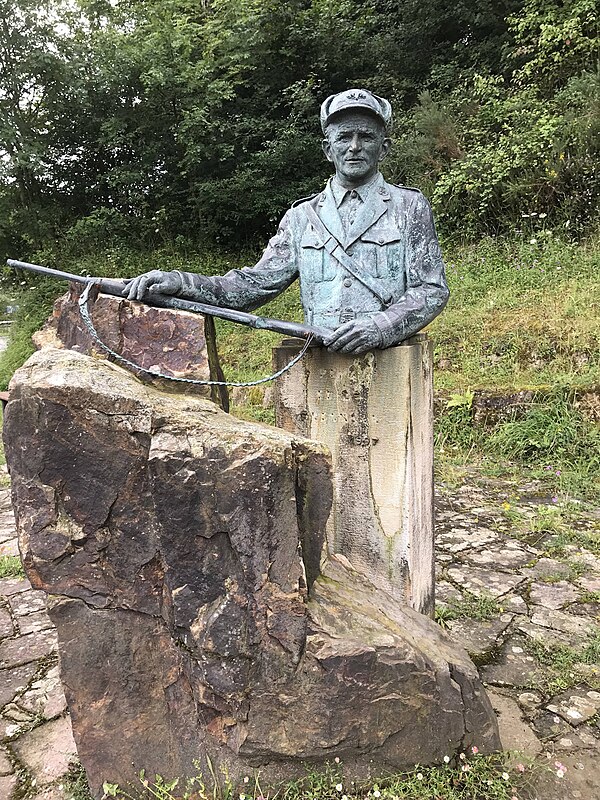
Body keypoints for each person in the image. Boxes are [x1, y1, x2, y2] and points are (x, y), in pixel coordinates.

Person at [126, 89, 449, 355]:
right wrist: (181, 283)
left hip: (391, 359)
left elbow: (431, 289)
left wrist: (381, 328)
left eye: (366, 136)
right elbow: (251, 286)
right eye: (343, 137)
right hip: (319, 361)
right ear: (327, 149)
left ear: (384, 147)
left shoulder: (409, 206)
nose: (354, 147)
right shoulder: (301, 218)